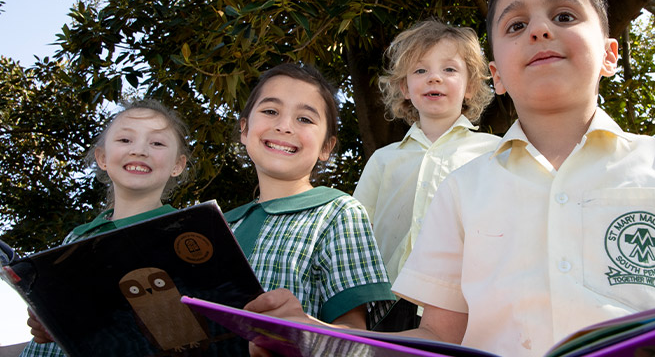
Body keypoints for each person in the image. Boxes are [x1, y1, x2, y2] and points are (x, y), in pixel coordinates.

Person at [244, 0, 655, 357]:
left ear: (611, 54)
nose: (541, 28)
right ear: (496, 75)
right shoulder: (466, 189)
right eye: (516, 25)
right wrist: (315, 337)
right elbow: (437, 337)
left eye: (565, 15)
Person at [224, 63, 395, 340]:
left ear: (327, 146)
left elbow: (353, 335)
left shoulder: (338, 213)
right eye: (270, 111)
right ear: (244, 130)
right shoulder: (221, 224)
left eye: (304, 119)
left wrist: (301, 329)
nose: (284, 126)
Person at [353, 19, 499, 330]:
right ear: (404, 87)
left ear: (470, 85)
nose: (434, 77)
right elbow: (356, 235)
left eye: (449, 69)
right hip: (385, 303)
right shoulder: (383, 160)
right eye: (420, 71)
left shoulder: (494, 153)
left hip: (461, 306)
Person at [21, 99, 190, 357]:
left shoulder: (186, 232)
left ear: (178, 165)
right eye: (125, 140)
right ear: (102, 158)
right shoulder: (78, 237)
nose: (139, 150)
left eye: (156, 143)